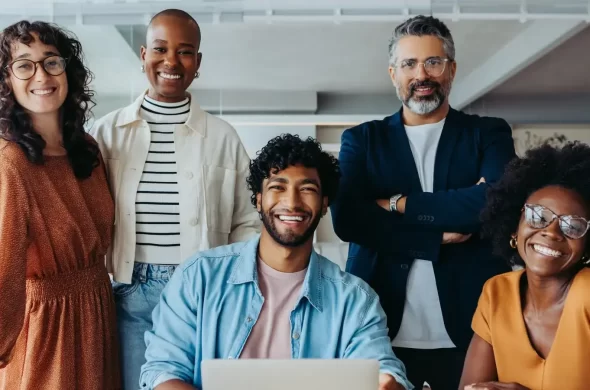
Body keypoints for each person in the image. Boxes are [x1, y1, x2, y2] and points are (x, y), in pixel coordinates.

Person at [330, 15, 516, 390]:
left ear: (451, 69)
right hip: (380, 327)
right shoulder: (362, 140)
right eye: (409, 64)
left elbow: (493, 203)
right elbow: (349, 219)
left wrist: (395, 204)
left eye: (433, 62)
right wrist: (434, 239)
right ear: (393, 73)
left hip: (473, 326)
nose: (422, 74)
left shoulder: (488, 133)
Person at [139, 134, 412, 390]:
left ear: (325, 203)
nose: (292, 203)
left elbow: (382, 368)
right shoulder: (198, 276)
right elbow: (164, 369)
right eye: (277, 187)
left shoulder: (354, 300)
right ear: (258, 200)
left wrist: (386, 381)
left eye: (307, 189)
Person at [90, 9, 259, 389]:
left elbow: (247, 221)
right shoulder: (104, 132)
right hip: (129, 292)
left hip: (201, 293)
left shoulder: (222, 136)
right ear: (143, 55)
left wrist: (232, 285)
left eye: (184, 52)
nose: (171, 61)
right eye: (160, 49)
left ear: (197, 62)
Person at [0, 21, 120, 389]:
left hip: (99, 314)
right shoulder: (11, 163)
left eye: (51, 61)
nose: (41, 74)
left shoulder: (88, 149)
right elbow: (5, 268)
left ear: (68, 71)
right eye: (24, 64)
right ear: (7, 81)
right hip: (48, 330)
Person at [459, 142, 590, 390]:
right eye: (538, 216)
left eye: (572, 225)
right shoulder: (496, 292)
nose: (551, 232)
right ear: (514, 227)